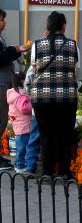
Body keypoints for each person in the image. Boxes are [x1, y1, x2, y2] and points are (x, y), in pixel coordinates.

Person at [30, 11, 79, 179]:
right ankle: (64, 172)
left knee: (46, 135)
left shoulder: (37, 45)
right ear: (63, 26)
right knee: (65, 134)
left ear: (48, 26)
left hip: (42, 98)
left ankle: (47, 172)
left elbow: (34, 67)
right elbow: (75, 67)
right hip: (66, 98)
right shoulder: (73, 45)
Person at [0, 9, 29, 170]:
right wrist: (15, 49)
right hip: (0, 84)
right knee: (0, 118)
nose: (4, 22)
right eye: (2, 19)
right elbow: (1, 57)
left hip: (4, 82)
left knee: (3, 119)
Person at [7, 72, 38, 174]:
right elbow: (24, 108)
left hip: (18, 125)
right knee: (23, 147)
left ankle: (19, 164)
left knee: (20, 147)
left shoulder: (12, 94)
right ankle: (20, 165)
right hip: (24, 125)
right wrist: (32, 105)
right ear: (22, 81)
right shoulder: (21, 95)